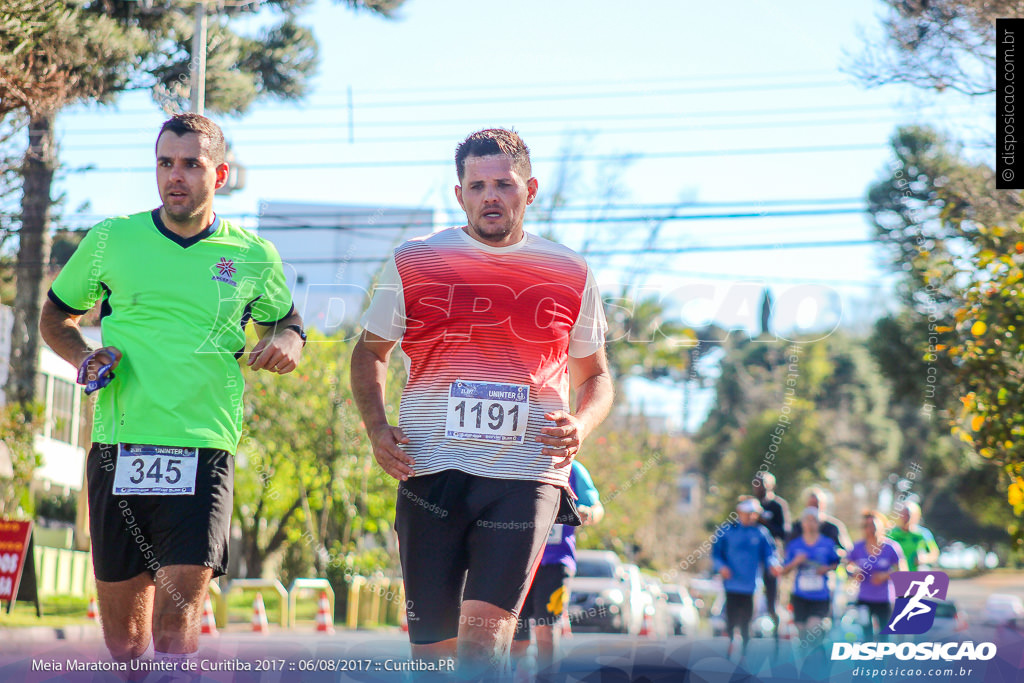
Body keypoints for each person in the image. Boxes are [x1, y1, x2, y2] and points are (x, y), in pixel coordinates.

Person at [39, 114, 305, 667]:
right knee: (126, 643)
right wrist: (85, 358)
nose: (175, 176)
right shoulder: (113, 239)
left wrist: (286, 346)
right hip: (120, 446)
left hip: (204, 447)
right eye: (165, 163)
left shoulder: (254, 255)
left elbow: (288, 325)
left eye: (191, 164)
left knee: (176, 621)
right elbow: (56, 317)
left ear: (221, 174)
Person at [350, 128, 614, 678]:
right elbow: (368, 354)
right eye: (477, 185)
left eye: (503, 184)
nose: (490, 196)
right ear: (460, 194)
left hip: (525, 473)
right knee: (432, 657)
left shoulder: (570, 271)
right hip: (430, 470)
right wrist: (377, 430)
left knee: (484, 645)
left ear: (530, 189)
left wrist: (581, 425)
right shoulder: (416, 262)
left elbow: (597, 378)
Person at [511, 459, 603, 679]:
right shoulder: (515, 461)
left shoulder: (573, 469)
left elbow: (597, 508)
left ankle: (546, 678)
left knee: (546, 628)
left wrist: (587, 513)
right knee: (516, 632)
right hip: (518, 560)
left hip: (556, 562)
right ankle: (515, 675)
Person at [712, 496, 782, 657]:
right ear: (739, 512)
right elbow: (716, 554)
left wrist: (773, 564)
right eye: (747, 513)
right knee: (731, 619)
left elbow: (770, 554)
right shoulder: (727, 531)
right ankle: (730, 646)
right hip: (731, 584)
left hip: (750, 586)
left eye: (754, 514)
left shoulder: (761, 533)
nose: (751, 516)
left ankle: (744, 653)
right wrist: (721, 567)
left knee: (746, 621)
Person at [781, 507, 842, 644]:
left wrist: (826, 568)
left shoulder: (827, 543)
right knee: (802, 635)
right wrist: (796, 562)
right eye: (807, 520)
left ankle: (820, 659)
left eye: (813, 520)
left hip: (820, 596)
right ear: (802, 523)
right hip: (800, 596)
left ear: (819, 523)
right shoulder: (794, 545)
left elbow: (838, 564)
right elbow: (783, 571)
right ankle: (808, 663)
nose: (810, 524)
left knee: (813, 629)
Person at [846, 510, 907, 640]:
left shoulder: (891, 547)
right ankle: (867, 660)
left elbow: (902, 572)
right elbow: (846, 566)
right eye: (866, 526)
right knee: (866, 635)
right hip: (864, 599)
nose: (870, 529)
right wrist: (854, 573)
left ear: (881, 526)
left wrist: (885, 576)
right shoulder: (857, 547)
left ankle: (882, 660)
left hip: (884, 599)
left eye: (873, 525)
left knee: (884, 637)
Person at [753, 471, 789, 628]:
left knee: (771, 597)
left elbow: (783, 532)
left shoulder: (777, 505)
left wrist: (764, 520)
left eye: (762, 483)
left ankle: (776, 635)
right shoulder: (752, 505)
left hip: (770, 556)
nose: (758, 487)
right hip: (752, 556)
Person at [787, 487, 852, 551]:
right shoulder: (796, 527)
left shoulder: (833, 527)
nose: (814, 509)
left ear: (823, 505)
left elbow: (846, 550)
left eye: (816, 505)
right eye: (811, 504)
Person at [888, 501, 940, 571]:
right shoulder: (891, 534)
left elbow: (935, 554)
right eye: (903, 514)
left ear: (916, 515)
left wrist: (924, 558)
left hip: (916, 575)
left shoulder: (923, 534)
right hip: (897, 575)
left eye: (909, 515)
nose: (906, 517)